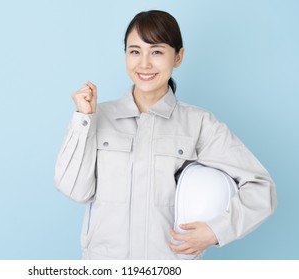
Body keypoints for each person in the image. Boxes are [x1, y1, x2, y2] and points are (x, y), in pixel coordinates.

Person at [54, 10, 277, 260]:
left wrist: (216, 231)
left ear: (178, 57)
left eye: (157, 52)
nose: (145, 63)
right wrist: (83, 119)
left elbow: (260, 188)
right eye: (135, 51)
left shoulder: (199, 124)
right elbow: (74, 190)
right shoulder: (97, 116)